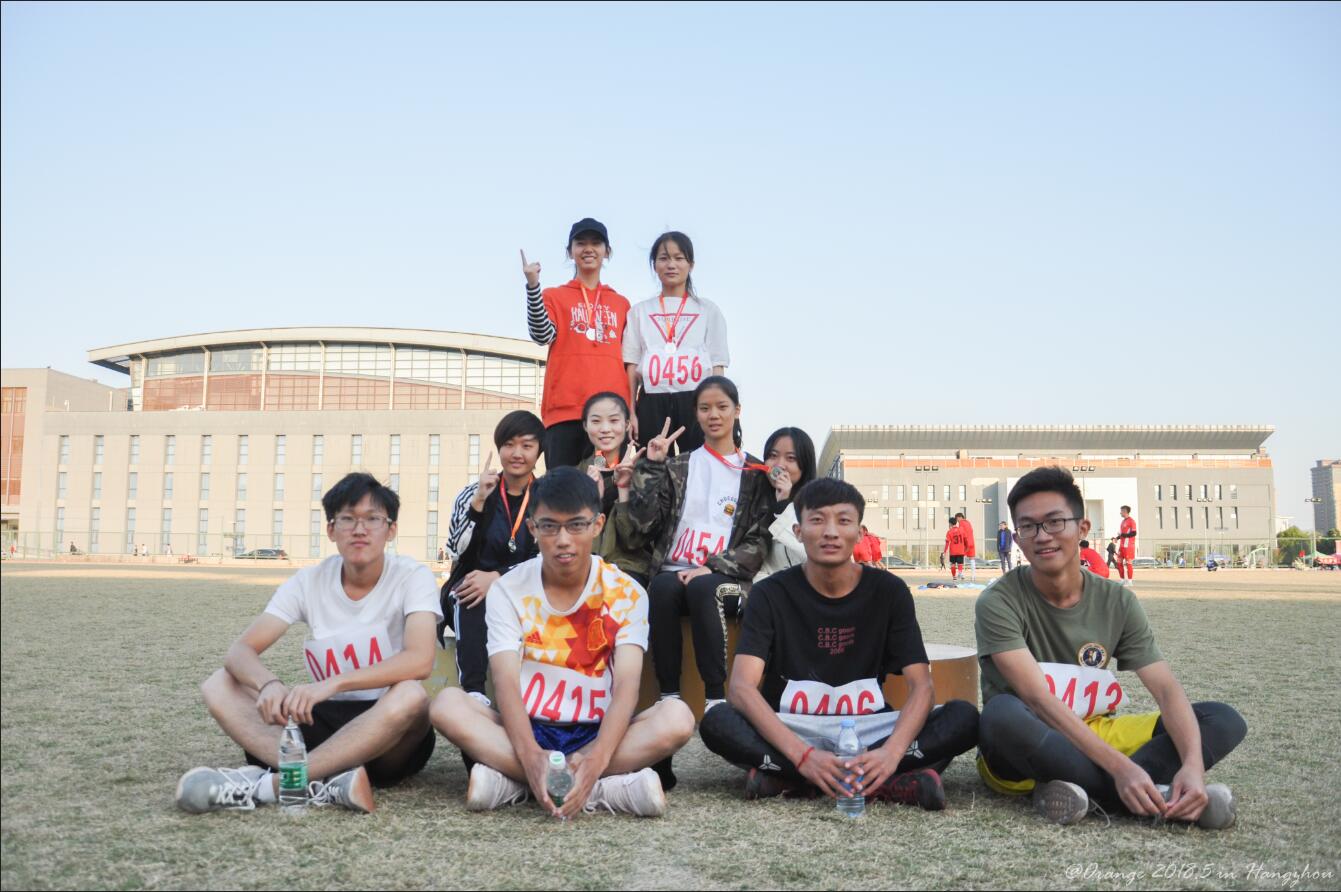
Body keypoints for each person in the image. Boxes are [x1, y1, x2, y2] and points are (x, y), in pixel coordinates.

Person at [975, 467, 1246, 828]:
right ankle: (1152, 794)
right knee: (1000, 714)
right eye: (1028, 526)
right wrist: (1121, 768)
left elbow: (1166, 690)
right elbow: (1037, 700)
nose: (1042, 536)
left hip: (1095, 730)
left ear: (1083, 528)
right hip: (1025, 745)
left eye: (1055, 522)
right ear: (1017, 538)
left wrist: (1193, 766)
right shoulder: (998, 601)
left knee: (1221, 719)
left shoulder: (1117, 601)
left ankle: (1087, 792)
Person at [429, 468, 695, 817]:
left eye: (576, 525)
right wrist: (529, 755)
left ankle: (517, 785)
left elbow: (627, 686)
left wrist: (596, 758)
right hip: (528, 728)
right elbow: (506, 683)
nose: (564, 539)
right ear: (532, 529)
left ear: (597, 525)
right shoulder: (508, 590)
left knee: (677, 716)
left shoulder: (626, 591)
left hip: (598, 731)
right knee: (446, 704)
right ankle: (603, 791)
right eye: (550, 526)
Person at [699, 478, 979, 808]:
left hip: (869, 730)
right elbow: (741, 688)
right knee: (717, 721)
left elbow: (922, 687)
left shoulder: (889, 592)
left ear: (859, 533)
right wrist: (803, 755)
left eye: (843, 521)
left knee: (964, 718)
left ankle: (791, 778)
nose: (830, 532)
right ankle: (875, 782)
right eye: (817, 520)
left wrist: (890, 753)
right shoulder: (769, 594)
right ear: (798, 531)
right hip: (792, 728)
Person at [176, 473, 439, 814]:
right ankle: (324, 782)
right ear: (331, 530)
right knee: (219, 684)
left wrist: (334, 683)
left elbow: (420, 660)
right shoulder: (308, 581)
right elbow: (240, 651)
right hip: (319, 724)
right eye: (347, 519)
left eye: (373, 519)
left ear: (391, 530)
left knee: (412, 695)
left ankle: (272, 786)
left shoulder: (412, 576)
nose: (360, 529)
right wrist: (268, 684)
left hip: (389, 734)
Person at [627, 376, 776, 715]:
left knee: (702, 587)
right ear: (695, 413)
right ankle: (669, 696)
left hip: (723, 577)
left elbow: (758, 541)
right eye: (705, 408)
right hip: (673, 570)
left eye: (722, 407)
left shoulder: (754, 473)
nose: (714, 415)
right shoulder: (679, 466)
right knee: (661, 588)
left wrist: (712, 566)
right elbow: (643, 525)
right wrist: (652, 467)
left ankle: (715, 699)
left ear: (737, 410)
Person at [442, 410, 545, 705]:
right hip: (473, 584)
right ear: (499, 448)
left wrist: (499, 577)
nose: (517, 453)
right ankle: (474, 693)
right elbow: (456, 549)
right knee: (470, 592)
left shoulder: (546, 496)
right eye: (509, 445)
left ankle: (533, 700)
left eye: (527, 446)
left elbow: (547, 557)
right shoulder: (472, 493)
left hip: (527, 585)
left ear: (539, 452)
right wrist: (478, 503)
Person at [524, 218, 632, 467]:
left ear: (607, 251)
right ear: (570, 251)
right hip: (565, 412)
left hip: (610, 417)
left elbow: (631, 361)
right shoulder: (554, 296)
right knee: (563, 487)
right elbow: (542, 334)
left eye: (596, 243)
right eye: (581, 243)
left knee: (608, 486)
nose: (588, 249)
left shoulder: (621, 303)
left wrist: (630, 412)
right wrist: (533, 287)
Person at [622, 231, 729, 453]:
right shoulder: (639, 312)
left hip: (696, 400)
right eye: (663, 258)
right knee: (652, 464)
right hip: (652, 400)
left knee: (700, 462)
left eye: (679, 258)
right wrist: (632, 412)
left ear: (691, 264)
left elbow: (717, 366)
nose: (671, 265)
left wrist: (718, 409)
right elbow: (631, 367)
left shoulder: (708, 310)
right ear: (654, 265)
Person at [575, 391, 653, 588]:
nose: (605, 429)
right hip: (582, 566)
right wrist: (593, 500)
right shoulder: (575, 475)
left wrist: (623, 489)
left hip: (628, 567)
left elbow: (633, 541)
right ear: (585, 426)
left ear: (626, 425)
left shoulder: (643, 472)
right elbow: (571, 534)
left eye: (613, 420)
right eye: (596, 421)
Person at [753, 427, 818, 583]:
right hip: (765, 590)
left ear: (804, 465)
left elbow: (811, 555)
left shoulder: (818, 505)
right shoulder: (752, 500)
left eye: (790, 458)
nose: (779, 465)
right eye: (773, 456)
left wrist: (783, 506)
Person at [1116, 505, 1137, 584]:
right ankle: (1122, 580)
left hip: (1128, 546)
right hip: (1122, 546)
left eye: (1121, 511)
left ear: (1125, 511)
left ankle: (1130, 581)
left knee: (1128, 563)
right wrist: (1117, 538)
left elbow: (1134, 533)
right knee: (1119, 562)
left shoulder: (1131, 521)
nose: (1120, 513)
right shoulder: (1122, 521)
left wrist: (1124, 535)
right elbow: (1122, 534)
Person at [956, 513, 977, 579]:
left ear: (960, 517)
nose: (957, 521)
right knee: (972, 559)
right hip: (972, 542)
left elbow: (961, 532)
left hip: (965, 542)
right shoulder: (968, 522)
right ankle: (973, 576)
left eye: (957, 519)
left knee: (960, 557)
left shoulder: (961, 522)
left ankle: (961, 574)